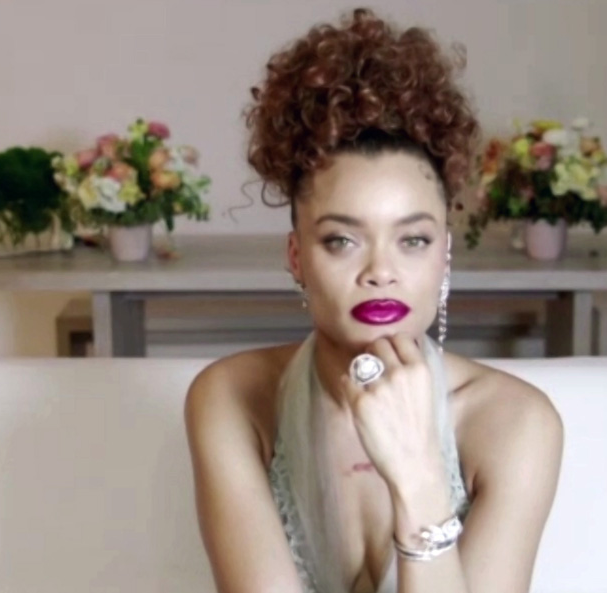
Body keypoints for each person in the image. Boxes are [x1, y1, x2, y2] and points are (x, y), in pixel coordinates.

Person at [184, 8, 563, 593]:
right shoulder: (231, 398)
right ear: (296, 257)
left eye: (413, 240)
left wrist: (418, 479)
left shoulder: (515, 422)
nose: (381, 272)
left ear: (444, 255)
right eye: (342, 240)